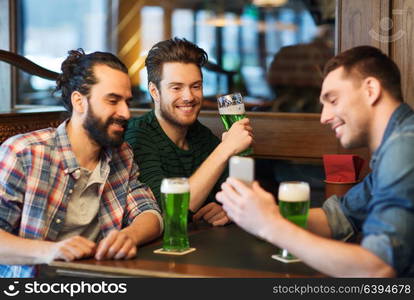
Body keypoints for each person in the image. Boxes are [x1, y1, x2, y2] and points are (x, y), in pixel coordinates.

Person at [216, 45, 414, 277]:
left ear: (370, 90)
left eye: (333, 100)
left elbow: (377, 267)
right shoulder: (396, 143)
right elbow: (340, 217)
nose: (324, 117)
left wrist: (270, 225)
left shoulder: (404, 146)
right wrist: (258, 212)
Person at [0, 49, 162, 277]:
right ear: (79, 101)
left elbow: (149, 212)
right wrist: (50, 251)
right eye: (113, 100)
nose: (125, 113)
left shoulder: (121, 153)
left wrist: (130, 235)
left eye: (127, 101)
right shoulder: (23, 153)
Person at [125, 38, 253, 226]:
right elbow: (167, 211)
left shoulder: (200, 135)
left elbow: (238, 196)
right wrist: (226, 149)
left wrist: (225, 208)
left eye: (196, 86)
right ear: (154, 91)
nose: (189, 97)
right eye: (176, 87)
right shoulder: (137, 136)